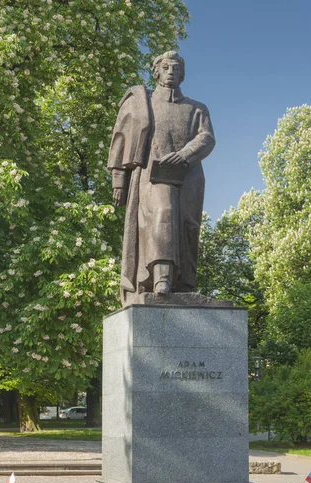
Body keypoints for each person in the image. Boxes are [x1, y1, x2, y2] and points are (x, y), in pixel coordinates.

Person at [108, 51, 215, 306]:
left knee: (189, 226)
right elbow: (121, 139)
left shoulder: (197, 108)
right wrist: (118, 180)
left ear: (183, 74)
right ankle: (161, 278)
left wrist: (185, 154)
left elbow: (207, 137)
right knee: (162, 214)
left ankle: (185, 284)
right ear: (156, 72)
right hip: (152, 174)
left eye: (176, 68)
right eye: (166, 67)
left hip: (189, 174)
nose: (171, 72)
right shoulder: (142, 104)